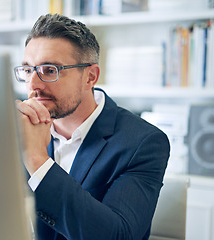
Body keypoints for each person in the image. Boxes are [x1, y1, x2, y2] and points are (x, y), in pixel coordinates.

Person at [15, 13, 170, 240]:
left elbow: (118, 235)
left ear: (90, 77)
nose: (33, 85)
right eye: (28, 70)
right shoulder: (17, 129)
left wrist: (37, 160)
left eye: (50, 70)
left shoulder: (143, 142)